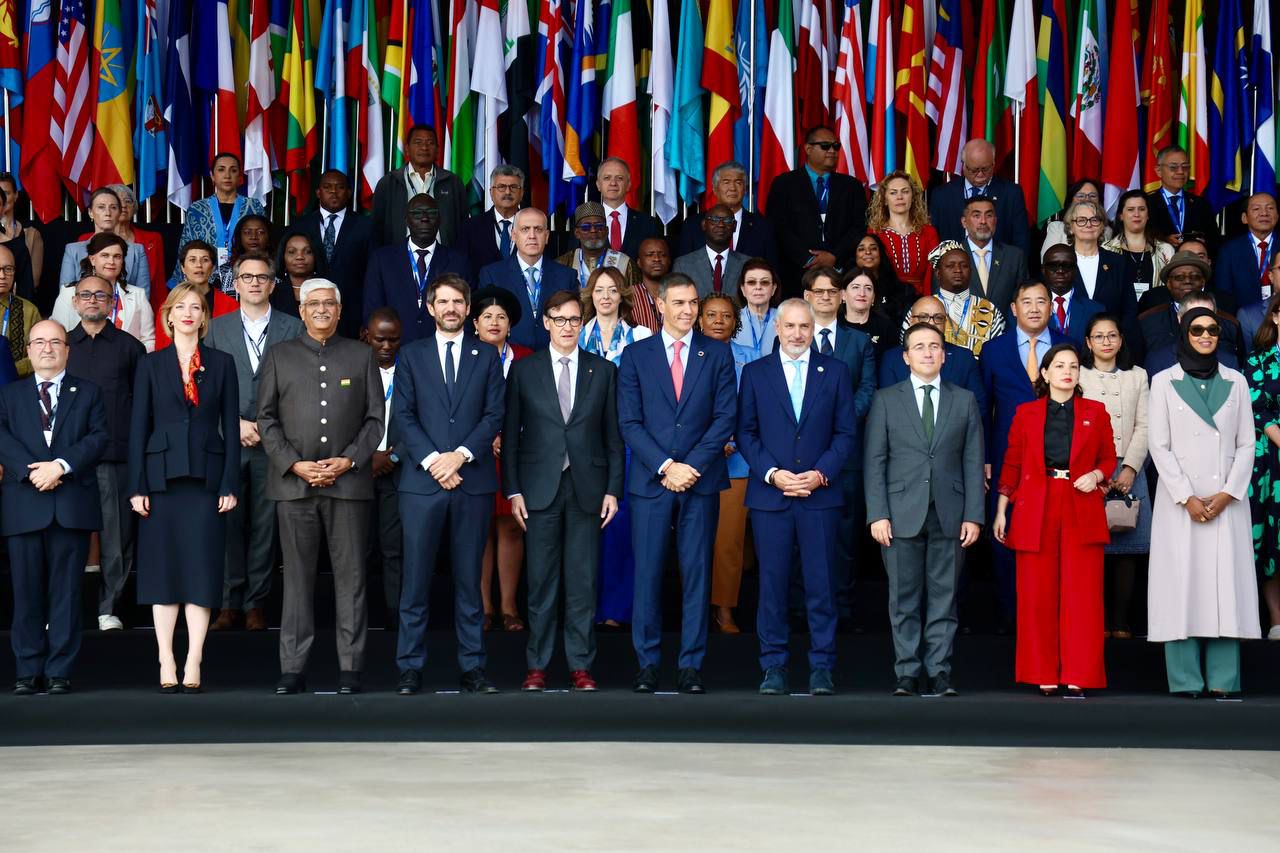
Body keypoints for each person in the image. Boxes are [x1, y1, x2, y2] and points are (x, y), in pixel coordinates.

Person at [257, 279, 384, 695]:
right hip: (295, 487)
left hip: (348, 486)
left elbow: (375, 420)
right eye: (313, 304)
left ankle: (351, 668)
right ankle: (292, 669)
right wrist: (294, 463)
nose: (322, 310)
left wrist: (348, 460)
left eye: (329, 303)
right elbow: (266, 419)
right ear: (301, 309)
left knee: (352, 579)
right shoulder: (279, 355)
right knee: (296, 580)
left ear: (340, 310)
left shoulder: (361, 355)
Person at [618, 273, 737, 693]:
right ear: (661, 305)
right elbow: (629, 422)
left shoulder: (717, 353)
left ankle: (690, 665)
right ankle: (647, 664)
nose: (688, 311)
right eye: (680, 303)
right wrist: (667, 466)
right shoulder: (636, 355)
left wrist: (691, 467)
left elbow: (725, 417)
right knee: (647, 574)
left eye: (693, 303)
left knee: (697, 574)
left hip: (700, 481)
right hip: (652, 481)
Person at [504, 289, 624, 691]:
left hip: (588, 487)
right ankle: (536, 666)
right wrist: (513, 490)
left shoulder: (603, 371)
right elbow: (512, 435)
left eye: (574, 319)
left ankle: (580, 666)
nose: (567, 327)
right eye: (560, 319)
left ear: (581, 322)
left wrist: (613, 489)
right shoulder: (525, 370)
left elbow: (613, 437)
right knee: (541, 582)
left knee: (582, 581)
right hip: (538, 488)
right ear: (546, 323)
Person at [737, 298, 856, 695]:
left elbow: (845, 433)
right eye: (789, 326)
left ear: (813, 328)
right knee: (772, 586)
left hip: (819, 496)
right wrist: (773, 474)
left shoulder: (835, 372)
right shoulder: (755, 373)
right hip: (771, 497)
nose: (797, 333)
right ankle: (773, 666)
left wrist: (820, 474)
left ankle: (822, 667)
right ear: (777, 328)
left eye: (804, 326)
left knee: (821, 586)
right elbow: (745, 433)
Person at [393, 274, 505, 695]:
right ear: (430, 307)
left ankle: (473, 667)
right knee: (415, 581)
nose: (451, 308)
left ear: (468, 307)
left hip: (471, 480)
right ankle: (409, 667)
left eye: (458, 301)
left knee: (469, 581)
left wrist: (460, 456)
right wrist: (435, 461)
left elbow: (494, 414)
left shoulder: (487, 355)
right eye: (443, 302)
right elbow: (403, 415)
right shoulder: (412, 354)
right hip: (422, 484)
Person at [128, 284, 240, 693]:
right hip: (161, 480)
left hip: (207, 480)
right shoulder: (150, 364)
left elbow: (231, 427)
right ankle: (165, 656)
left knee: (201, 571)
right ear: (169, 315)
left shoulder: (222, 363)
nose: (189, 312)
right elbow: (138, 427)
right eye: (182, 307)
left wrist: (229, 482)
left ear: (205, 317)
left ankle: (194, 658)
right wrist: (137, 485)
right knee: (163, 573)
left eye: (197, 307)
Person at [865, 322, 985, 697]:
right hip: (900, 512)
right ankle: (906, 672)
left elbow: (973, 461)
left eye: (934, 346)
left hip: (950, 511)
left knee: (944, 598)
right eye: (919, 347)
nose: (928, 352)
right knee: (903, 598)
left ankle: (939, 671)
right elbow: (875, 461)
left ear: (945, 355)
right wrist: (877, 514)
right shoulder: (886, 399)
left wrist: (974, 515)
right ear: (906, 357)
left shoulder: (964, 399)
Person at [1147, 307, 1260, 696]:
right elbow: (1158, 446)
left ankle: (1224, 680)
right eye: (1197, 330)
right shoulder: (1163, 382)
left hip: (1226, 500)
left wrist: (1228, 493)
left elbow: (1247, 443)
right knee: (1182, 585)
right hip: (1182, 502)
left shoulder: (1237, 381)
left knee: (1224, 586)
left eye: (1212, 329)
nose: (1206, 335)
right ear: (1185, 334)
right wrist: (1186, 496)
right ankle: (1185, 680)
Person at [994, 343, 1116, 696]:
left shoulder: (1096, 411)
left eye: (1074, 366)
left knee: (1083, 595)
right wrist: (1001, 510)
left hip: (1081, 502)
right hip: (1036, 503)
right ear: (1044, 373)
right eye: (1059, 365)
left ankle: (1080, 672)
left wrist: (1096, 475)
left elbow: (1109, 459)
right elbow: (1012, 463)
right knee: (1036, 594)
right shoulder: (1026, 413)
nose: (1067, 371)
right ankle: (1042, 671)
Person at [0, 319, 107, 695]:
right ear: (28, 350)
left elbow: (99, 437)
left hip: (70, 504)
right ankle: (27, 671)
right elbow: (1, 436)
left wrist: (60, 466)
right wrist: (33, 472)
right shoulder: (9, 395)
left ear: (67, 349)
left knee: (66, 594)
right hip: (24, 504)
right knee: (26, 593)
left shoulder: (89, 392)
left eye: (55, 342)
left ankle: (60, 670)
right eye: (40, 342)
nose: (47, 348)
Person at [205, 253, 304, 632]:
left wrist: (267, 428)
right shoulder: (217, 329)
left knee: (266, 526)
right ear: (235, 284)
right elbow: (206, 388)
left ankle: (255, 603)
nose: (254, 283)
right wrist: (233, 423)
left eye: (262, 277)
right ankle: (228, 601)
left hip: (274, 443)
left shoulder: (293, 327)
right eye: (247, 277)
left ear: (273, 284)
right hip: (229, 440)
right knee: (227, 522)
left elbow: (299, 389)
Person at [979, 282, 1068, 626]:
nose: (1034, 308)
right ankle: (1010, 615)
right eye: (1026, 302)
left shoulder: (1066, 346)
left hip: (1057, 458)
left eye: (1041, 301)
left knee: (1051, 535)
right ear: (1014, 309)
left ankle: (1047, 615)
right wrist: (985, 457)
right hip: (1007, 457)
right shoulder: (994, 350)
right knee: (1005, 531)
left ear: (1050, 308)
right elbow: (983, 407)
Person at [67, 275, 146, 632]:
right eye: (85, 295)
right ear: (75, 302)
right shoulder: (63, 345)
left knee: (117, 539)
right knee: (67, 538)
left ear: (112, 302)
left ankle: (108, 608)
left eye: (101, 294)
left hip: (116, 455)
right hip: (68, 460)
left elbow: (143, 407)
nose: (93, 300)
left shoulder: (130, 348)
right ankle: (65, 610)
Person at [802, 266, 877, 624]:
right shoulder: (794, 337)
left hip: (847, 454)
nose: (826, 297)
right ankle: (802, 609)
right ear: (807, 297)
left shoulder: (859, 342)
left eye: (833, 291)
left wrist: (840, 421)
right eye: (819, 292)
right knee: (803, 535)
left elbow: (868, 390)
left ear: (842, 296)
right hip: (802, 454)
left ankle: (843, 608)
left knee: (846, 536)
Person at [579, 268, 653, 631]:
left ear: (622, 295)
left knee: (622, 525)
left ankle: (618, 608)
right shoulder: (577, 334)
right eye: (599, 290)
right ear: (590, 295)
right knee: (588, 524)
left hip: (628, 442)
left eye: (612, 290)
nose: (605, 296)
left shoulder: (641, 336)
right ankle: (586, 607)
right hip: (586, 442)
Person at [1078, 314, 1151, 640]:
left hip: (1130, 467)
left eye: (1112, 335)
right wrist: (1097, 471)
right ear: (1088, 342)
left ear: (1121, 340)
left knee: (1128, 548)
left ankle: (1121, 621)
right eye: (1099, 336)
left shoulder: (1138, 375)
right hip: (1090, 471)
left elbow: (1145, 425)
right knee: (1094, 549)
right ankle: (1098, 619)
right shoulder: (1078, 374)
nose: (1106, 341)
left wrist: (1130, 467)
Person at [470, 287, 531, 631]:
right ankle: (483, 607)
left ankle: (509, 606)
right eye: (487, 317)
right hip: (475, 455)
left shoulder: (525, 357)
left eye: (501, 317)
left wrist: (510, 439)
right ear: (475, 323)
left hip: (516, 455)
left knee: (510, 526)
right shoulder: (465, 355)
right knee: (479, 529)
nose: (494, 322)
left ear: (510, 324)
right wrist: (487, 437)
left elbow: (537, 406)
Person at [700, 293, 759, 634]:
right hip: (692, 463)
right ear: (700, 320)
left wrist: (732, 440)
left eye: (726, 315)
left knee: (728, 542)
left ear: (736, 322)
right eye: (711, 315)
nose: (719, 321)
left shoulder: (750, 359)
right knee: (694, 541)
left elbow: (755, 408)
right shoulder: (685, 353)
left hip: (735, 461)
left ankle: (724, 609)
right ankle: (695, 608)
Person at [766, 126, 868, 295]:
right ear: (808, 149)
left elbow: (859, 227)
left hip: (841, 274)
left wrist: (834, 256)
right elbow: (778, 227)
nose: (832, 151)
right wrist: (808, 259)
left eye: (836, 146)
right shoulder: (784, 184)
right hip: (795, 274)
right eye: (825, 146)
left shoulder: (852, 186)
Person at [363, 193, 472, 343]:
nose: (424, 218)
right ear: (406, 220)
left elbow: (466, 312)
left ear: (440, 220)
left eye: (431, 213)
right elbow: (373, 310)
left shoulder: (459, 261)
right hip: (395, 349)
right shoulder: (382, 259)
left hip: (442, 349)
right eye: (417, 213)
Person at [285, 170, 374, 339]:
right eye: (327, 187)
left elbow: (373, 276)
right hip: (310, 313)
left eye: (340, 187)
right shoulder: (301, 225)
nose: (333, 191)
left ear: (349, 193)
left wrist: (367, 319)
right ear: (318, 192)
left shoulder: (366, 226)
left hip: (352, 315)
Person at [477, 208, 576, 349]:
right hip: (510, 356)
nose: (532, 236)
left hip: (553, 356)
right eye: (525, 229)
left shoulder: (567, 276)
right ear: (513, 235)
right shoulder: (492, 274)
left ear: (547, 236)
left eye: (538, 229)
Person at [361, 309, 406, 626]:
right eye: (380, 340)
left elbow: (423, 418)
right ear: (367, 337)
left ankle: (395, 613)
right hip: (359, 471)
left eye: (393, 340)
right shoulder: (353, 368)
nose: (387, 346)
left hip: (398, 471)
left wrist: (394, 456)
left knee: (394, 547)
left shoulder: (412, 373)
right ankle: (357, 614)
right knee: (359, 548)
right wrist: (367, 457)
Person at [881, 296, 988, 413]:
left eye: (938, 318)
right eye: (923, 317)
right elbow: (887, 407)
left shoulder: (964, 358)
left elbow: (978, 407)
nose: (931, 323)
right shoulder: (892, 358)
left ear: (945, 323)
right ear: (911, 321)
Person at [171, 153, 267, 283]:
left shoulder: (253, 207)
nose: (227, 175)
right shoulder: (198, 209)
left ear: (240, 176)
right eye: (221, 170)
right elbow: (186, 248)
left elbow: (265, 245)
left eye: (233, 170)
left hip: (247, 278)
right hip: (204, 280)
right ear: (212, 175)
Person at [927, 138, 1031, 257]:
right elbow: (934, 241)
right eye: (974, 170)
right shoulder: (942, 195)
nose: (980, 174)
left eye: (985, 169)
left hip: (999, 266)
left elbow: (1021, 241)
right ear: (964, 165)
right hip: (955, 265)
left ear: (993, 164)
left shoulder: (1011, 193)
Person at [52, 233, 155, 352]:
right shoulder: (69, 292)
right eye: (105, 255)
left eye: (117, 256)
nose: (111, 261)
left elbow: (148, 340)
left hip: (126, 361)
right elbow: (57, 335)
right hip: (78, 359)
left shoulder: (138, 295)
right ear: (92, 259)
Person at [1245, 292, 1280, 640]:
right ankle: (1276, 619)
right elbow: (1256, 405)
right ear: (1276, 317)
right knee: (1271, 538)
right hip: (1270, 459)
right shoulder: (1258, 359)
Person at [372, 125, 466, 247]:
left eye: (430, 143)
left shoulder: (453, 182)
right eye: (418, 142)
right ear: (407, 149)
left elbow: (464, 226)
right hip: (399, 257)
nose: (424, 147)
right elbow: (376, 229)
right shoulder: (388, 183)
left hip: (444, 256)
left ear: (437, 150)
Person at [1061, 201, 1137, 342]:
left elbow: (1129, 309)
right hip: (1070, 343)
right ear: (1070, 227)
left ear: (1102, 226)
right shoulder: (1060, 262)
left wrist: (1119, 340)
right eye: (1081, 220)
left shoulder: (1119, 263)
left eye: (1094, 220)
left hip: (1110, 343)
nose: (1088, 224)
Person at [677, 160, 778, 263]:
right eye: (726, 182)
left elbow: (772, 268)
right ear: (714, 188)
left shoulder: (763, 227)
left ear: (745, 189)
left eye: (738, 182)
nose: (732, 188)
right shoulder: (693, 225)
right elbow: (683, 267)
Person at [61, 187, 152, 294]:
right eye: (101, 207)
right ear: (90, 212)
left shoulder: (137, 251)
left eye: (113, 207)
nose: (107, 213)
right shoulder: (73, 250)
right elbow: (66, 294)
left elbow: (143, 295)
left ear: (119, 212)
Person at [154, 241, 239, 350]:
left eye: (205, 260)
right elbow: (162, 349)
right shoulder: (168, 306)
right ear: (182, 267)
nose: (199, 265)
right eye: (192, 260)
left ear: (213, 268)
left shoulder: (231, 305)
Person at [867, 171, 940, 297]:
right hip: (885, 298)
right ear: (885, 199)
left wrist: (927, 301)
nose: (899, 197)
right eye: (893, 193)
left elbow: (932, 271)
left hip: (921, 299)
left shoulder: (929, 232)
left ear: (913, 197)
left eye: (905, 191)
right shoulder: (875, 232)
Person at [928, 241, 1006, 355]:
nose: (958, 270)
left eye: (964, 266)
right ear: (938, 273)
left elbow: (1000, 352)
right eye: (950, 266)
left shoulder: (990, 309)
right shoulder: (923, 308)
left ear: (971, 271)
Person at [960, 195, 1029, 321]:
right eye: (976, 216)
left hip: (1005, 330)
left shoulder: (1014, 257)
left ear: (995, 220)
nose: (983, 221)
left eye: (989, 215)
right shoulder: (950, 256)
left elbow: (1024, 300)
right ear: (964, 222)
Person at [1102, 190, 1176, 304]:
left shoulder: (1166, 250)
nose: (1136, 214)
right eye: (1130, 209)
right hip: (1118, 313)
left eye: (1141, 209)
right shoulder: (1105, 249)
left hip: (1156, 312)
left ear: (1148, 215)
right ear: (1121, 215)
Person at [1213, 192, 1278, 313]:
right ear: (1244, 218)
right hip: (1242, 318)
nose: (1264, 213)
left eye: (1270, 208)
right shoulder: (1229, 250)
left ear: (1277, 215)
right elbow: (1223, 294)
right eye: (1256, 209)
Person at [557, 201, 643, 292]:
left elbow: (636, 298)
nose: (593, 230)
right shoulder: (562, 263)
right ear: (577, 233)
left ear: (606, 231)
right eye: (586, 227)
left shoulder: (625, 263)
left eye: (599, 226)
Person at [1145, 145, 1219, 250]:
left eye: (1185, 167)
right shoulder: (1147, 204)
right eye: (1173, 167)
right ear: (1158, 171)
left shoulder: (1201, 204)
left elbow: (1214, 240)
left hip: (1193, 258)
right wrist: (1163, 241)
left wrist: (1202, 243)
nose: (1180, 171)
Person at [672, 203, 748, 299]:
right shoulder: (682, 264)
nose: (721, 224)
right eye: (714, 220)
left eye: (727, 220)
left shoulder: (747, 264)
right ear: (704, 225)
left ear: (735, 226)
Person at [105, 184, 166, 303]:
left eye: (128, 201)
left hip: (144, 304)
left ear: (134, 208)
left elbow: (159, 286)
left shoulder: (153, 239)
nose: (123, 205)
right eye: (117, 201)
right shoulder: (88, 240)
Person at [590, 157, 661, 259]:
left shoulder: (648, 223)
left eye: (619, 178)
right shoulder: (585, 224)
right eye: (607, 178)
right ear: (598, 185)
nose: (613, 183)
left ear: (628, 185)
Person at [458, 165, 525, 271]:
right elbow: (463, 268)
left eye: (513, 187)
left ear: (521, 193)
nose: (507, 192)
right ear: (491, 193)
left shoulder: (534, 226)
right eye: (501, 187)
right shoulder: (470, 227)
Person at [1042, 244, 1105, 346]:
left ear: (1075, 270)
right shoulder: (1028, 309)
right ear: (1043, 270)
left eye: (1067, 266)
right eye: (1053, 266)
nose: (1060, 271)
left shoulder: (1095, 310)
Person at [0, 243, 41, 377]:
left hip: (15, 384)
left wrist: (8, 370)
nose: (2, 275)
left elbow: (39, 353)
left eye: (8, 269)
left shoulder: (28, 310)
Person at [1041, 180, 1113, 255]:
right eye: (1081, 196)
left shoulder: (1107, 230)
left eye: (1092, 196)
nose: (1087, 199)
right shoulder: (1057, 227)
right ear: (1071, 200)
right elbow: (1048, 258)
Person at [0, 173, 43, 297]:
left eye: (6, 193)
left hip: (18, 299)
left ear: (16, 195)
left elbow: (32, 282)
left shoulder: (31, 234)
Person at [852, 233, 914, 317]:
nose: (868, 252)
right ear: (854, 255)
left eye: (873, 248)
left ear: (880, 254)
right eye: (861, 249)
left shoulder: (901, 290)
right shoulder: (845, 287)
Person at [841, 271, 901, 357]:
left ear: (873, 297)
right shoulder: (834, 324)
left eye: (868, 288)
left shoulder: (886, 328)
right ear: (843, 294)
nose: (862, 293)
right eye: (855, 287)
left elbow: (893, 361)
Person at [734, 259, 780, 359]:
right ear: (743, 289)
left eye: (764, 282)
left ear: (773, 289)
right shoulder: (732, 319)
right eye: (751, 282)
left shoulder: (786, 318)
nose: (758, 287)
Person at [272, 232, 322, 318]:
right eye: (292, 252)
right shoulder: (272, 293)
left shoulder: (328, 290)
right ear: (283, 257)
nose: (300, 257)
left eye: (308, 252)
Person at [630, 238, 668, 333]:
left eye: (662, 255)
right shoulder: (628, 296)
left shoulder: (679, 294)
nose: (657, 259)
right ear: (639, 262)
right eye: (650, 255)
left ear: (669, 261)